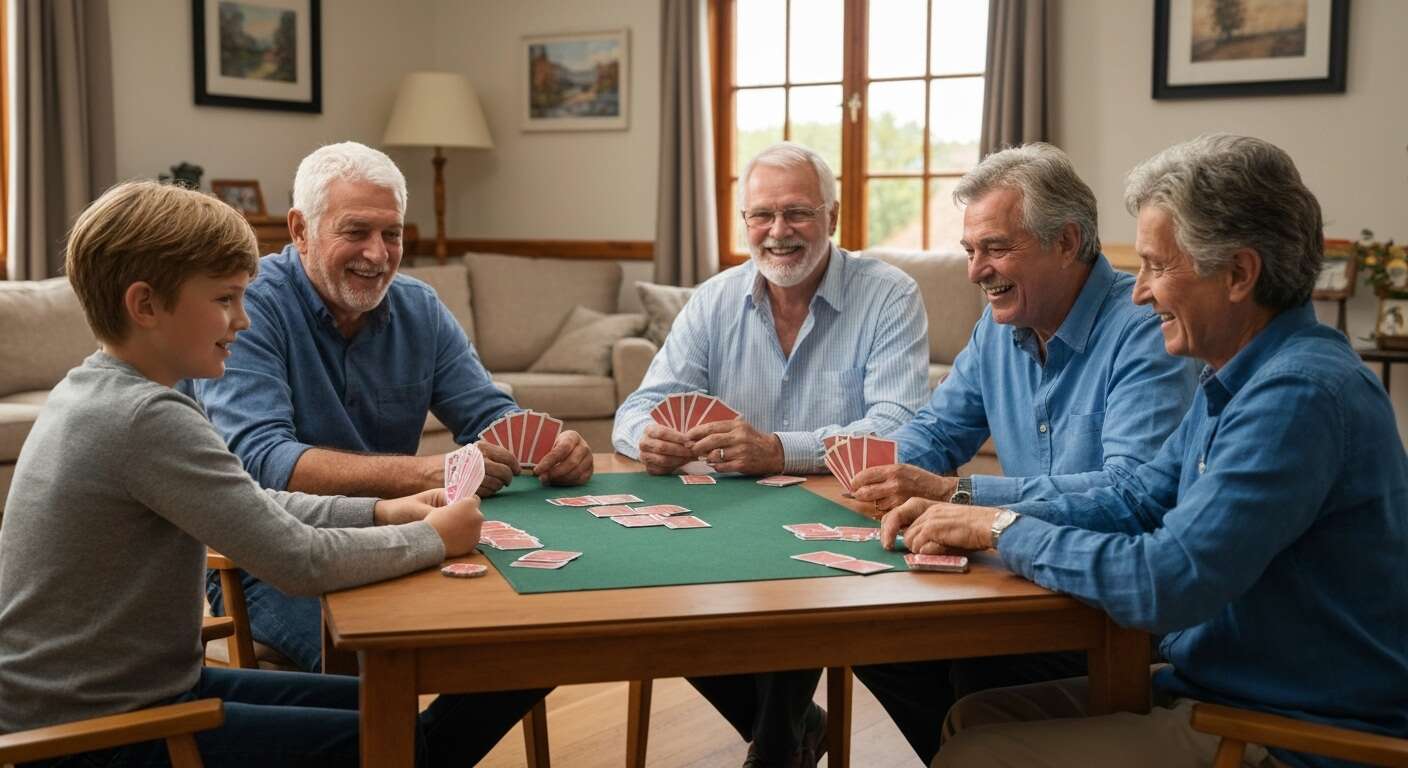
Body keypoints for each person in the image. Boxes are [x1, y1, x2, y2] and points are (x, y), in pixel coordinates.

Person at [886, 135, 1408, 768]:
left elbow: (1168, 578)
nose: (1140, 291)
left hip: (1290, 731)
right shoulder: (1238, 377)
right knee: (976, 714)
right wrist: (970, 510)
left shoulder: (1296, 395)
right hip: (1215, 687)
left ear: (1239, 274)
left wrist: (998, 523)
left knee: (978, 754)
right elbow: (1137, 499)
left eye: (1159, 266)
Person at [0, 180, 544, 766]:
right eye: (225, 299)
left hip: (139, 696)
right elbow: (297, 560)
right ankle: (533, 659)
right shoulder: (144, 417)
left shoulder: (99, 388)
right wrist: (433, 537)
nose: (243, 320)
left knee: (389, 710)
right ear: (146, 305)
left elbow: (253, 503)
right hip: (88, 734)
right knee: (401, 738)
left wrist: (382, 511)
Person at [849, 142, 1198, 764]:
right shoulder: (998, 327)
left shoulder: (1146, 329)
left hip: (1107, 601)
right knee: (871, 634)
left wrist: (959, 496)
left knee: (965, 655)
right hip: (1022, 574)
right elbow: (937, 431)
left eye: (995, 248)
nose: (975, 271)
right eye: (970, 251)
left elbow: (1130, 497)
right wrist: (888, 474)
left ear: (1066, 242)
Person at [194, 142, 592, 672]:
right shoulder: (249, 306)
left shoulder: (419, 306)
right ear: (299, 229)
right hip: (270, 558)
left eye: (393, 234)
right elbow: (262, 461)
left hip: (404, 538)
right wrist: (422, 471)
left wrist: (553, 447)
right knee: (387, 669)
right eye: (356, 232)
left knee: (533, 645)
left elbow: (489, 415)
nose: (378, 254)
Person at [612, 142, 930, 767]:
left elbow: (898, 426)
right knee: (658, 596)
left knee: (799, 578)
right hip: (720, 516)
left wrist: (781, 450)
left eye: (797, 213)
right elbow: (637, 408)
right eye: (762, 215)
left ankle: (779, 748)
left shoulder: (889, 294)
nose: (778, 232)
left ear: (833, 218)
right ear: (744, 223)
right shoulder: (713, 299)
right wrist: (648, 438)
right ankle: (793, 729)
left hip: (839, 511)